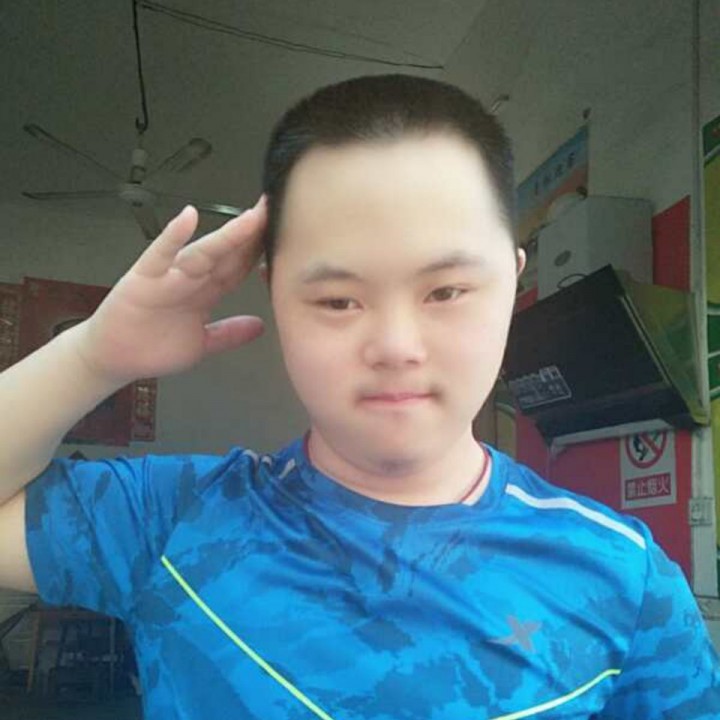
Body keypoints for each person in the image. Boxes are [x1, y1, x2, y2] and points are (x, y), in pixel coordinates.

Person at [0, 74, 718, 720]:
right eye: (339, 300)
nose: (396, 345)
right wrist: (94, 356)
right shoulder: (174, 519)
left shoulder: (621, 574)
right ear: (276, 296)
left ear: (512, 280)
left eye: (447, 291)